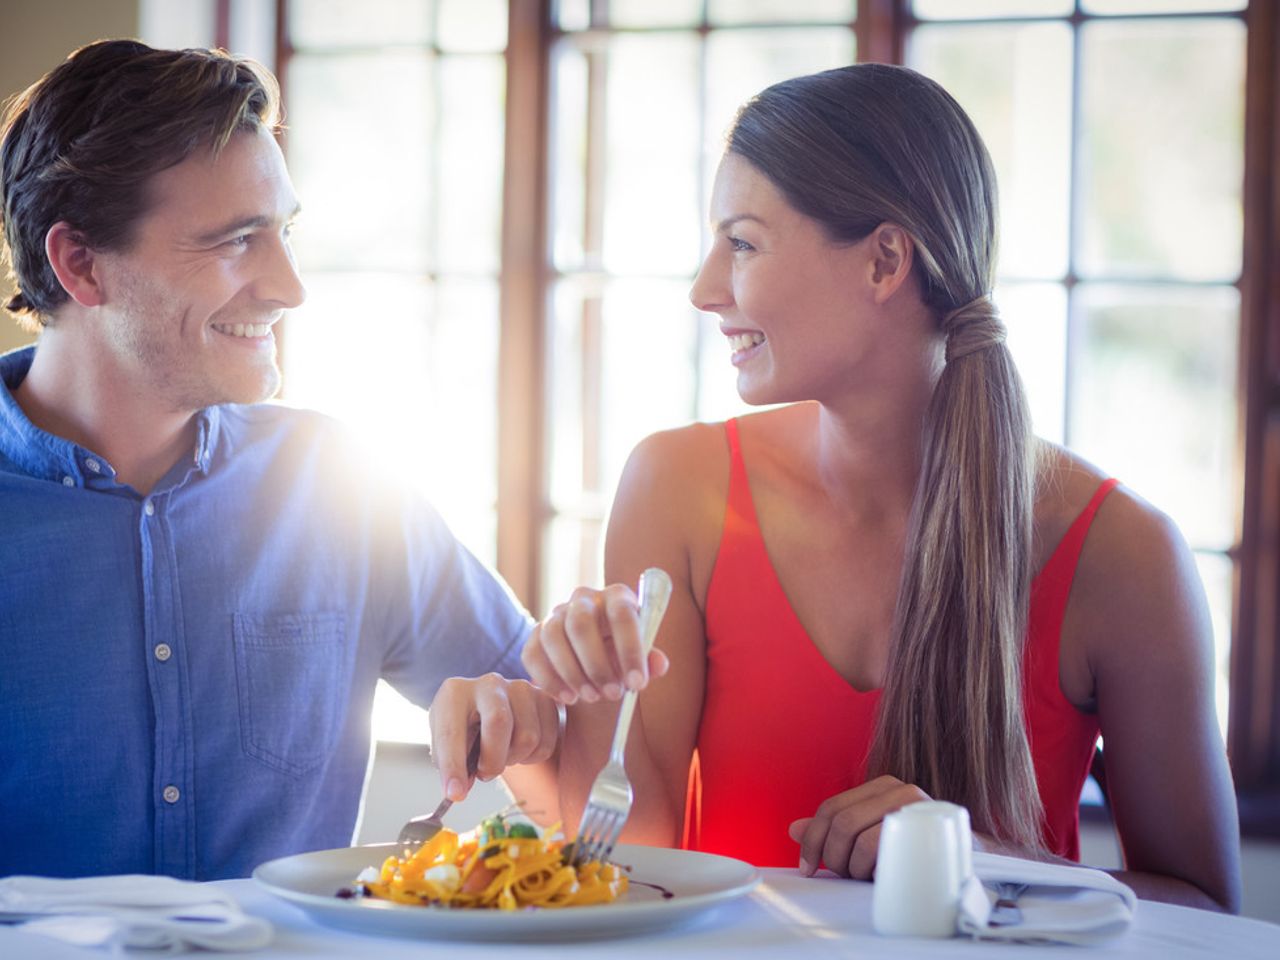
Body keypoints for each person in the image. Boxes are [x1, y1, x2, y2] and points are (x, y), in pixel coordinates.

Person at [521, 64, 1242, 912]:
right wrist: (572, 716)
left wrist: (987, 863)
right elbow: (628, 863)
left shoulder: (1123, 555)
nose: (705, 289)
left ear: (885, 260)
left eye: (743, 242)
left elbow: (1206, 911)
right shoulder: (676, 489)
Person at [0, 40, 566, 880]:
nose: (291, 286)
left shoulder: (344, 488)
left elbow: (554, 760)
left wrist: (524, 709)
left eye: (284, 232)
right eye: (237, 241)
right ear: (80, 263)